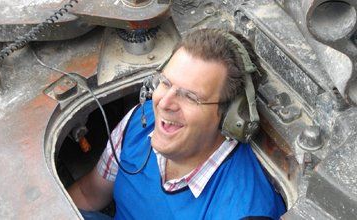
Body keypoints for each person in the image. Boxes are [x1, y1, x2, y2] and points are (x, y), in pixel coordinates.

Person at [68, 28, 286, 219]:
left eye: (189, 96)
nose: (164, 103)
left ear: (230, 118)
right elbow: (89, 196)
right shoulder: (140, 121)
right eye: (165, 82)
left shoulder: (242, 209)